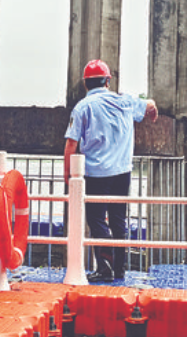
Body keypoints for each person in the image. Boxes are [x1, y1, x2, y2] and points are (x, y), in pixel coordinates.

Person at [63, 59, 158, 283]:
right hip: (122, 173)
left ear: (86, 84)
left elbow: (71, 144)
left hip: (94, 173)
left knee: (97, 220)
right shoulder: (125, 102)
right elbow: (150, 104)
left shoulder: (83, 107)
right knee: (118, 220)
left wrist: (68, 176)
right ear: (107, 81)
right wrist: (152, 112)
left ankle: (104, 268)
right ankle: (120, 269)